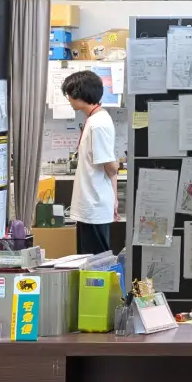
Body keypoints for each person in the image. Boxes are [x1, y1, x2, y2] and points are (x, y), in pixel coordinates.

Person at [63, 68, 120, 255]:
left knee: (96, 264)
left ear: (78, 95)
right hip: (91, 204)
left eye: (69, 95)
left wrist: (113, 198)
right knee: (89, 261)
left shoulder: (98, 123)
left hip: (94, 205)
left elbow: (110, 166)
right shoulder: (95, 119)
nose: (68, 100)